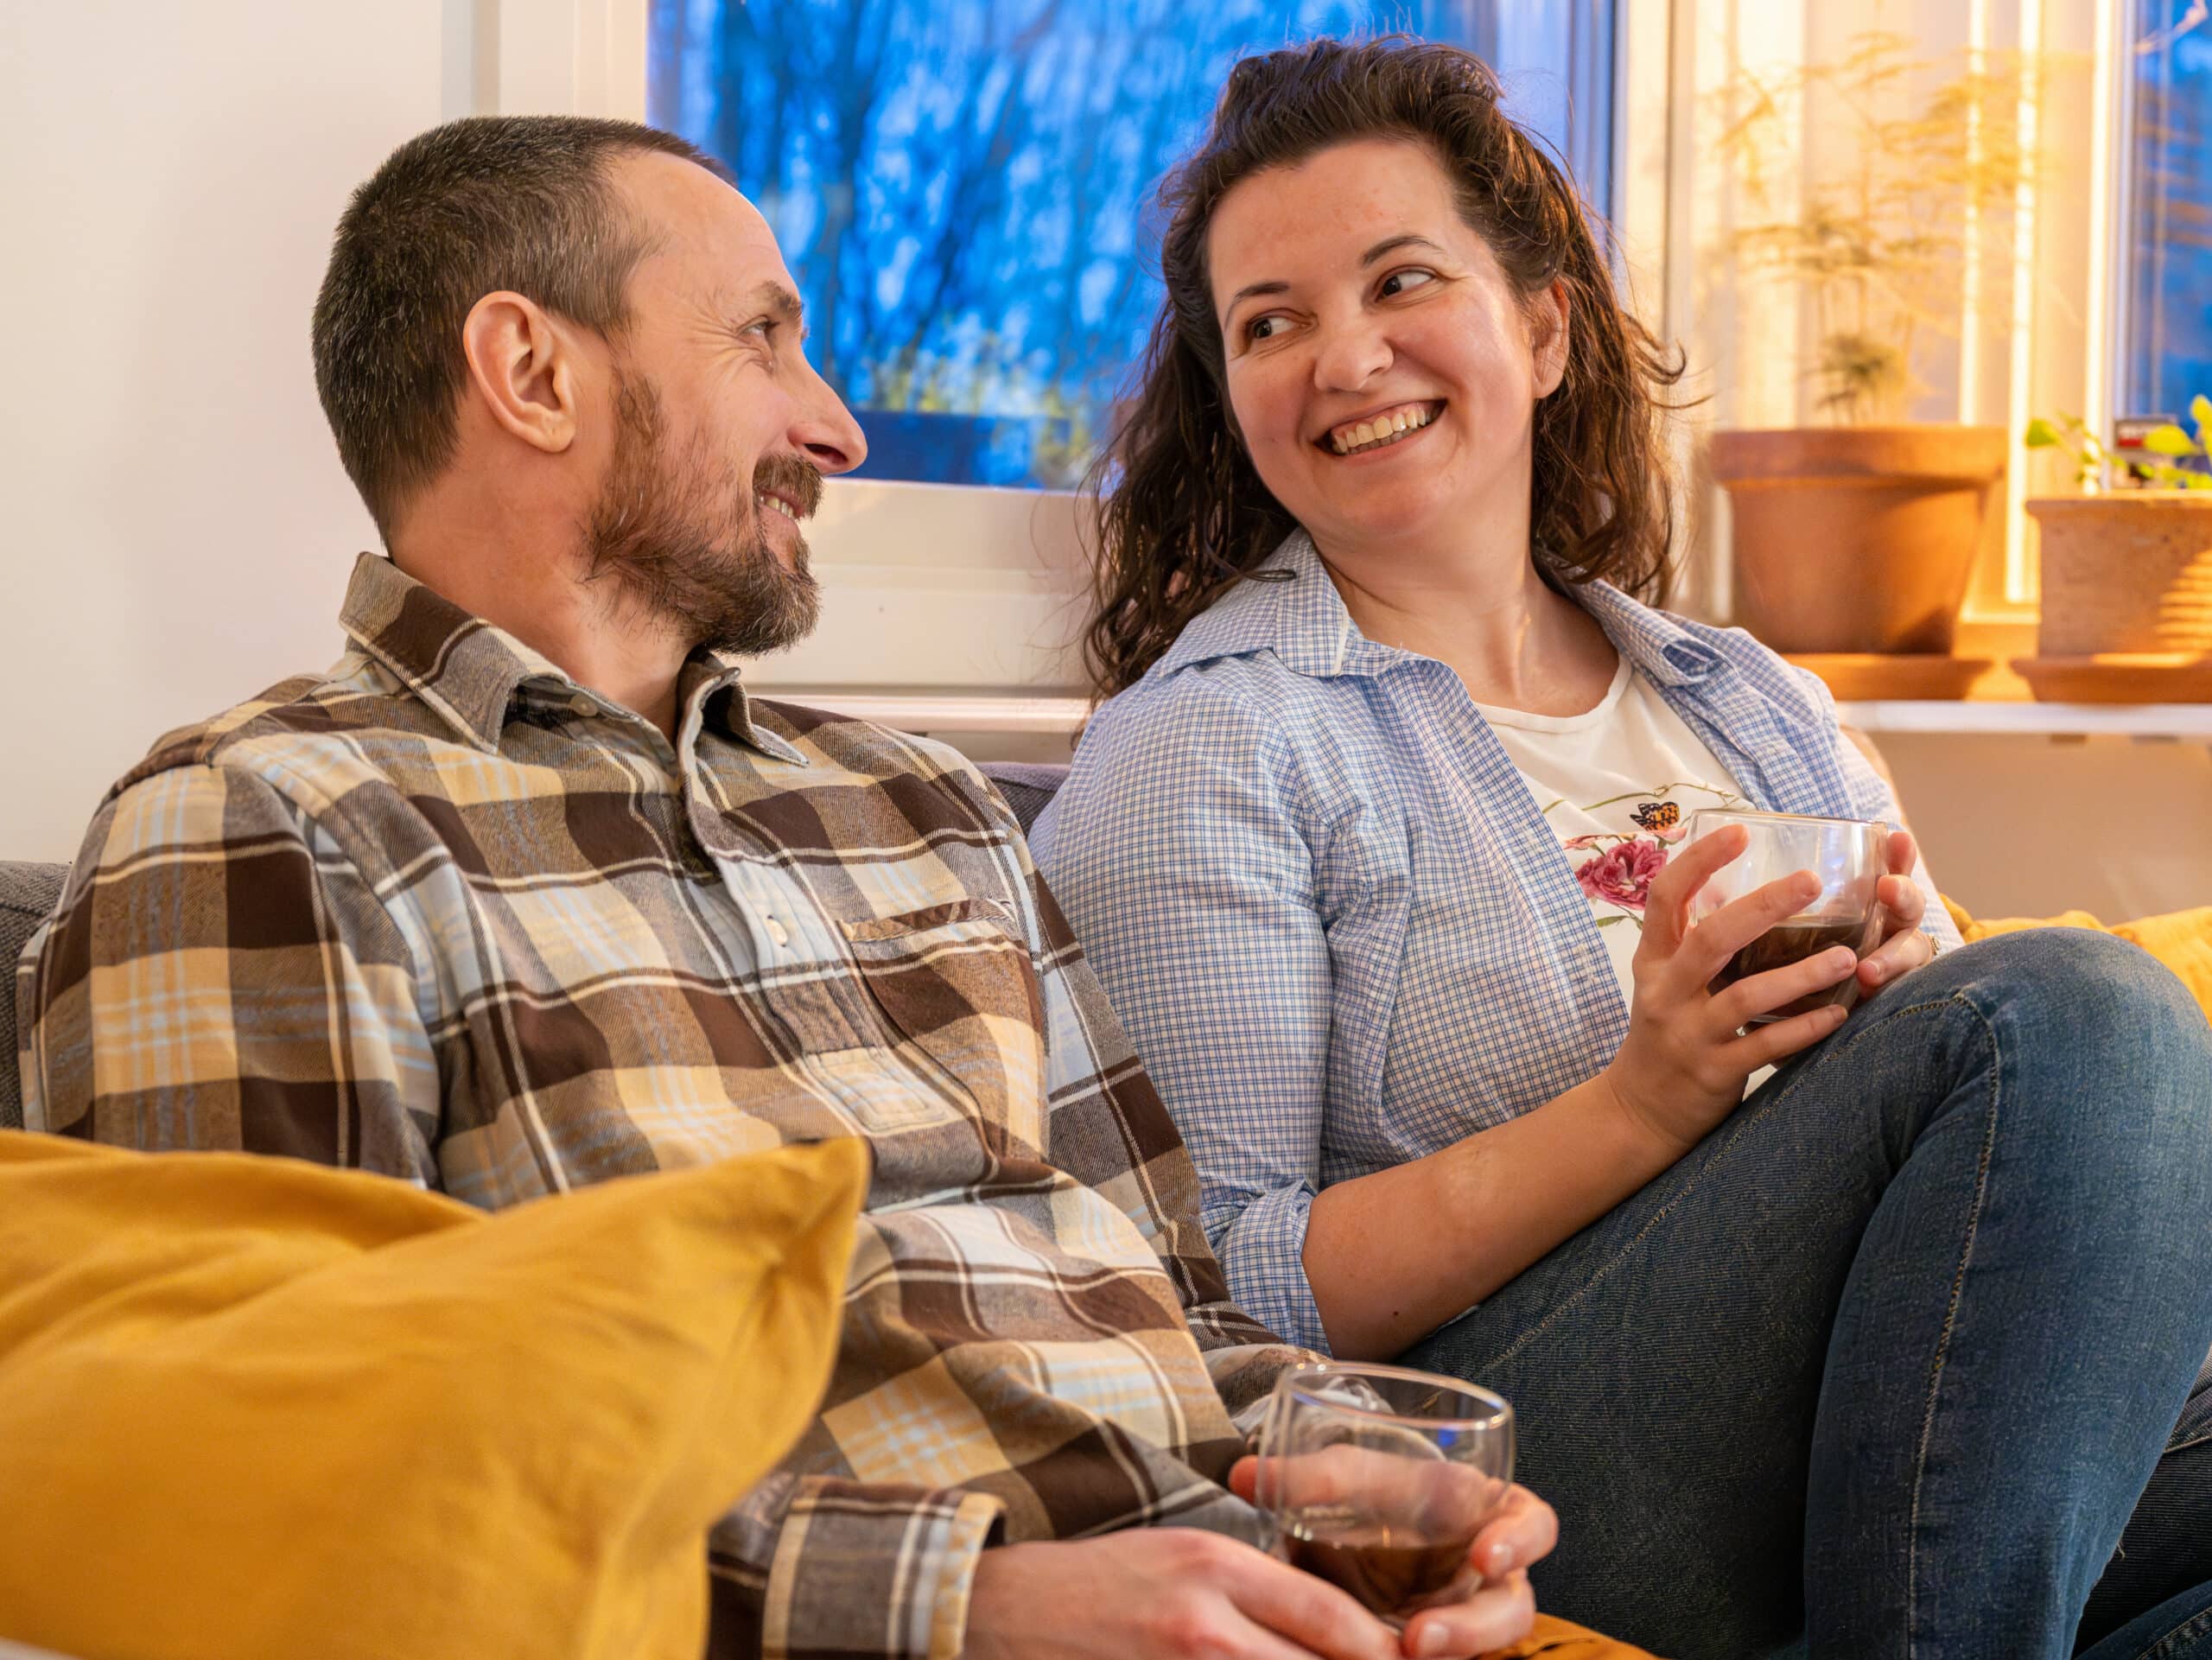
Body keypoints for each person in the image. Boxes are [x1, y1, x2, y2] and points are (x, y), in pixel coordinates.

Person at [12, 116, 1573, 1660]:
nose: (837, 428)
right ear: (533, 374)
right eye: (766, 337)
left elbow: (1183, 1304)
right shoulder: (262, 823)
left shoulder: (920, 802)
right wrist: (970, 1609)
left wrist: (1351, 1472)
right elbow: (301, 1495)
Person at [1032, 36, 2212, 1660]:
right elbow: (1220, 1292)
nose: (1344, 356)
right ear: (1228, 397)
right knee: (2086, 1011)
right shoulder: (1209, 744)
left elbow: (1959, 1068)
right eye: (1271, 323)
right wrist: (1647, 1097)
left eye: (1398, 281)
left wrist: (1921, 999)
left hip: (1894, 1397)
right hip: (1513, 1444)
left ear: (1541, 325)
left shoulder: (1752, 699)